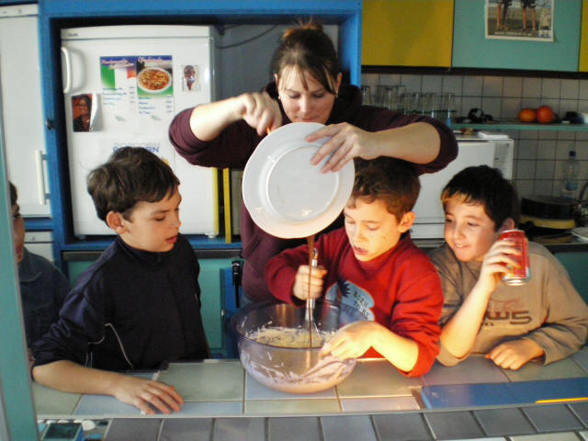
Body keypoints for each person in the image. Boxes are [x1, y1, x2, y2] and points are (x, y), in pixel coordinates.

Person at [169, 22, 458, 303]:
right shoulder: (261, 125)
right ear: (278, 84)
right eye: (293, 95)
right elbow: (185, 140)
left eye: (319, 94)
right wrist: (234, 107)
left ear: (338, 83)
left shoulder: (360, 123)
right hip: (271, 285)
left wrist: (374, 142)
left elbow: (443, 144)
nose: (305, 109)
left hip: (349, 292)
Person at [32, 147, 210, 414]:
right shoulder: (99, 283)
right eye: (160, 217)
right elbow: (45, 367)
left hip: (191, 388)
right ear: (118, 221)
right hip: (137, 401)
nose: (177, 223)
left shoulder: (180, 249)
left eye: (177, 209)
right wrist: (118, 385)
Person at [265, 159, 443, 377]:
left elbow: (421, 359)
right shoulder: (338, 243)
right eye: (350, 221)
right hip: (325, 368)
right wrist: (295, 284)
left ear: (405, 222)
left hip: (375, 381)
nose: (357, 236)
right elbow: (276, 265)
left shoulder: (417, 274)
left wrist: (374, 334)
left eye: (371, 226)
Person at [429, 166, 588, 370]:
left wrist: (533, 345)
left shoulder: (539, 263)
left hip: (528, 376)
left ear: (505, 228)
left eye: (471, 224)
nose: (456, 234)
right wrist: (483, 288)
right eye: (450, 221)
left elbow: (577, 325)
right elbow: (448, 353)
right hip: (461, 377)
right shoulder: (442, 266)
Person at [9, 181, 69, 357]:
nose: (16, 236)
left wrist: (39, 353)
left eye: (15, 217)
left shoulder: (44, 273)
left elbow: (74, 336)